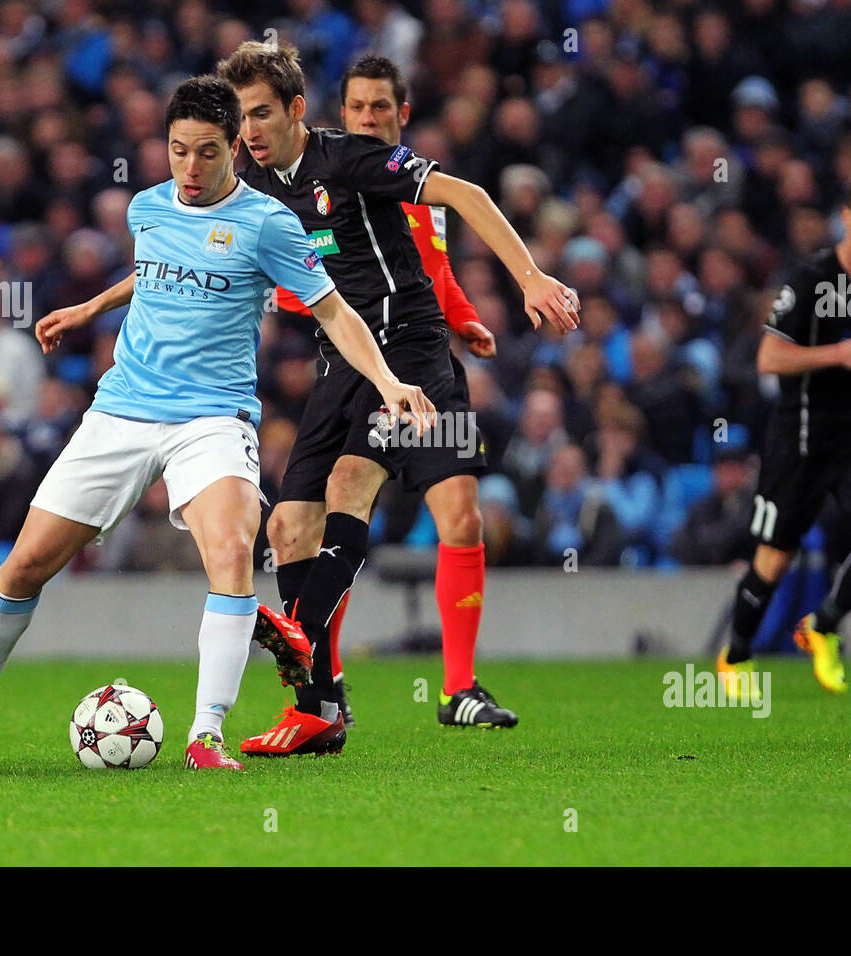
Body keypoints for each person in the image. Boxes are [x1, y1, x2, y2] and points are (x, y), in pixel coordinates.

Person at [0, 75, 433, 772]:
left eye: (207, 153)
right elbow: (156, 271)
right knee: (25, 566)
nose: (189, 168)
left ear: (234, 151)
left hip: (212, 418)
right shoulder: (147, 207)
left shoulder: (269, 224)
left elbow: (333, 309)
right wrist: (91, 308)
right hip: (122, 409)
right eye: (178, 150)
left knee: (231, 551)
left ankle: (204, 734)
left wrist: (390, 380)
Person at [217, 42, 578, 754]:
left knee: (426, 504)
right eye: (239, 117)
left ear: (295, 111)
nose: (248, 131)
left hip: (414, 353)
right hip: (342, 360)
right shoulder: (252, 188)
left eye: (261, 113)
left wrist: (530, 281)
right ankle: (318, 705)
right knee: (288, 528)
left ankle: (448, 682)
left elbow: (464, 198)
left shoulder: (351, 160)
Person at [270, 54, 504, 731]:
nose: (367, 117)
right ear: (339, 115)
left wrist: (463, 317)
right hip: (356, 368)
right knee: (338, 501)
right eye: (356, 107)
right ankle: (328, 679)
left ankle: (458, 688)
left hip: (429, 362)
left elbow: (437, 269)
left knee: (460, 512)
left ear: (402, 116)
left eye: (380, 108)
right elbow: (296, 282)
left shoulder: (412, 189)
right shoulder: (328, 183)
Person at [717, 165, 851, 695]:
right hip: (800, 440)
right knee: (773, 561)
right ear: (846, 217)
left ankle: (822, 625)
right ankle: (735, 657)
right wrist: (840, 354)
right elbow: (768, 357)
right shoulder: (809, 280)